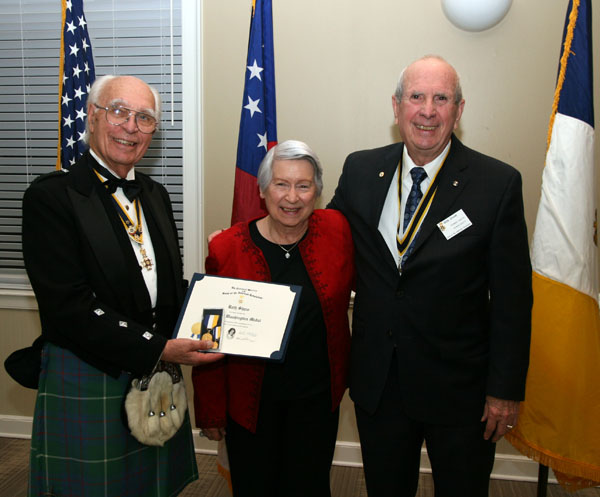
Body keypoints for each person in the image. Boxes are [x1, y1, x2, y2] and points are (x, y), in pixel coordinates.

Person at [328, 55, 533, 496]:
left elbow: (513, 300)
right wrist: (243, 240)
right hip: (380, 383)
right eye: (417, 97)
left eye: (441, 99)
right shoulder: (360, 170)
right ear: (396, 106)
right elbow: (323, 243)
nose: (427, 111)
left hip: (460, 390)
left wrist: (504, 390)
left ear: (459, 111)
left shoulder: (496, 184)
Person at [22, 75, 222, 496]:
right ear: (92, 117)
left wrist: (223, 298)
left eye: (144, 118)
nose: (131, 127)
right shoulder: (52, 197)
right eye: (119, 112)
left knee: (153, 487)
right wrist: (158, 348)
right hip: (89, 370)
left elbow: (163, 286)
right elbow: (68, 305)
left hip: (156, 372)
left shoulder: (155, 194)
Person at [192, 140, 354, 497]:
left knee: (311, 488)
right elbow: (208, 337)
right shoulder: (227, 247)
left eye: (303, 185)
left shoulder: (338, 231)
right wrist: (211, 410)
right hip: (251, 406)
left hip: (317, 401)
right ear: (263, 189)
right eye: (281, 184)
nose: (292, 197)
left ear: (317, 192)